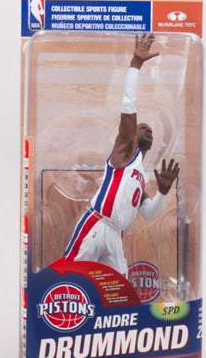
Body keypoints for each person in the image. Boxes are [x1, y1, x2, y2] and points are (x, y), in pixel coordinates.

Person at [63, 33, 180, 276]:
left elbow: (148, 213)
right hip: (97, 223)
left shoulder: (140, 175)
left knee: (120, 285)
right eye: (141, 127)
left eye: (150, 129)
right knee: (71, 274)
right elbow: (128, 104)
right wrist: (135, 65)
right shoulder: (125, 151)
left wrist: (162, 192)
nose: (148, 128)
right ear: (131, 133)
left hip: (115, 235)